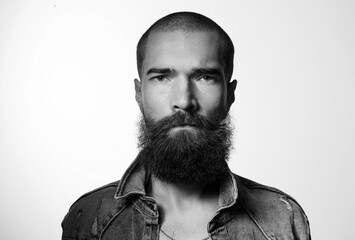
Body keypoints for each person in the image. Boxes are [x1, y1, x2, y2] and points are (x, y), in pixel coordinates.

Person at [61, 11, 311, 240]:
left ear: (230, 95)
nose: (184, 101)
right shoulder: (87, 218)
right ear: (139, 94)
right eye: (161, 77)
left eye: (205, 77)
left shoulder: (282, 219)